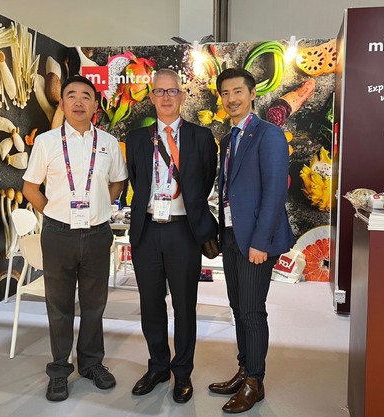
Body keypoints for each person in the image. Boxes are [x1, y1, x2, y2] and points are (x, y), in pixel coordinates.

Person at [22, 75, 128, 402]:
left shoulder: (109, 143)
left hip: (97, 234)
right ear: (63, 103)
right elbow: (30, 188)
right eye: (72, 95)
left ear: (96, 104)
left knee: (95, 304)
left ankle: (92, 363)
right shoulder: (47, 142)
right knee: (59, 305)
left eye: (86, 96)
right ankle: (58, 370)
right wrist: (54, 212)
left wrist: (100, 205)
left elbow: (118, 182)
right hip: (58, 235)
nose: (79, 102)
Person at [125, 68, 218, 403]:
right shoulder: (137, 139)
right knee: (150, 304)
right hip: (147, 230)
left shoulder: (201, 137)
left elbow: (205, 181)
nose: (166, 97)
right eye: (160, 91)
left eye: (172, 91)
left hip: (183, 231)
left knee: (184, 305)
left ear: (183, 95)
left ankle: (182, 372)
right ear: (151, 97)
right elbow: (137, 181)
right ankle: (158, 366)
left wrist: (184, 205)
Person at [209, 68, 295, 413]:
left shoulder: (269, 134)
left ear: (252, 93)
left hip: (256, 239)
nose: (231, 99)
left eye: (237, 92)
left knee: (252, 311)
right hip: (232, 234)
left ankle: (255, 382)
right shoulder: (228, 138)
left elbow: (275, 192)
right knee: (237, 307)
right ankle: (244, 370)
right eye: (225, 93)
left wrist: (260, 242)